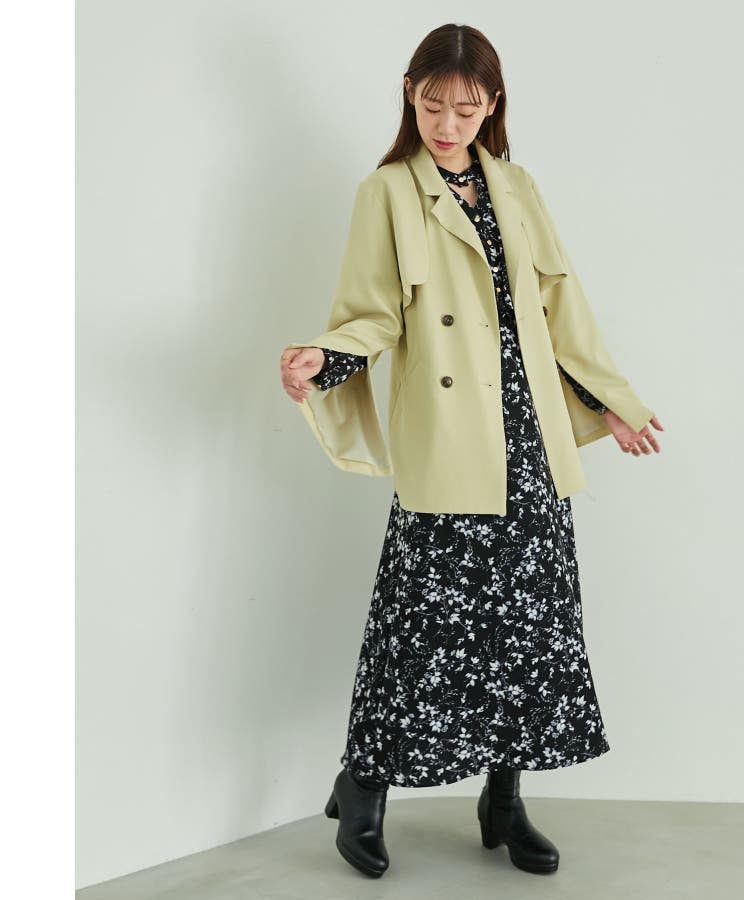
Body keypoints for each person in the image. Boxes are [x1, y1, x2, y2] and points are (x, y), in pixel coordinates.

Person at [279, 23, 663, 879]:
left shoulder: (517, 187)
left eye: (466, 107)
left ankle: (504, 799)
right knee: (417, 626)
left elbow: (562, 306)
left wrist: (614, 402)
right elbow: (370, 311)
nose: (448, 124)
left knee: (527, 631)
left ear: (492, 104)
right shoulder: (386, 191)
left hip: (529, 439)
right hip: (450, 436)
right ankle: (364, 784)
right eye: (432, 106)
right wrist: (323, 358)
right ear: (408, 94)